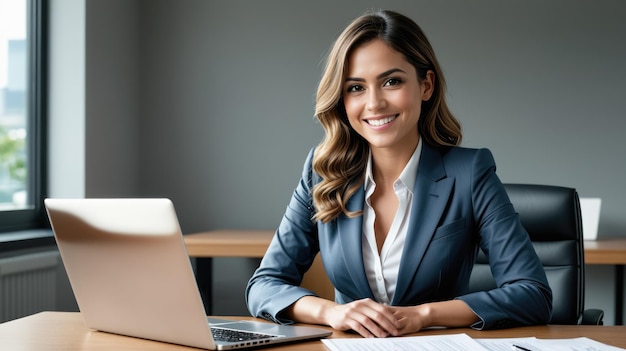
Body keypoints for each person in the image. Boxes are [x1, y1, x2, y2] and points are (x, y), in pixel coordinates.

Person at [245, 9, 552, 338]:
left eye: (391, 82)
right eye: (356, 88)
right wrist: (331, 312)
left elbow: (532, 293)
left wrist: (423, 314)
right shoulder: (323, 173)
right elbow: (264, 285)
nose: (374, 103)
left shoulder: (470, 172)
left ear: (426, 85)